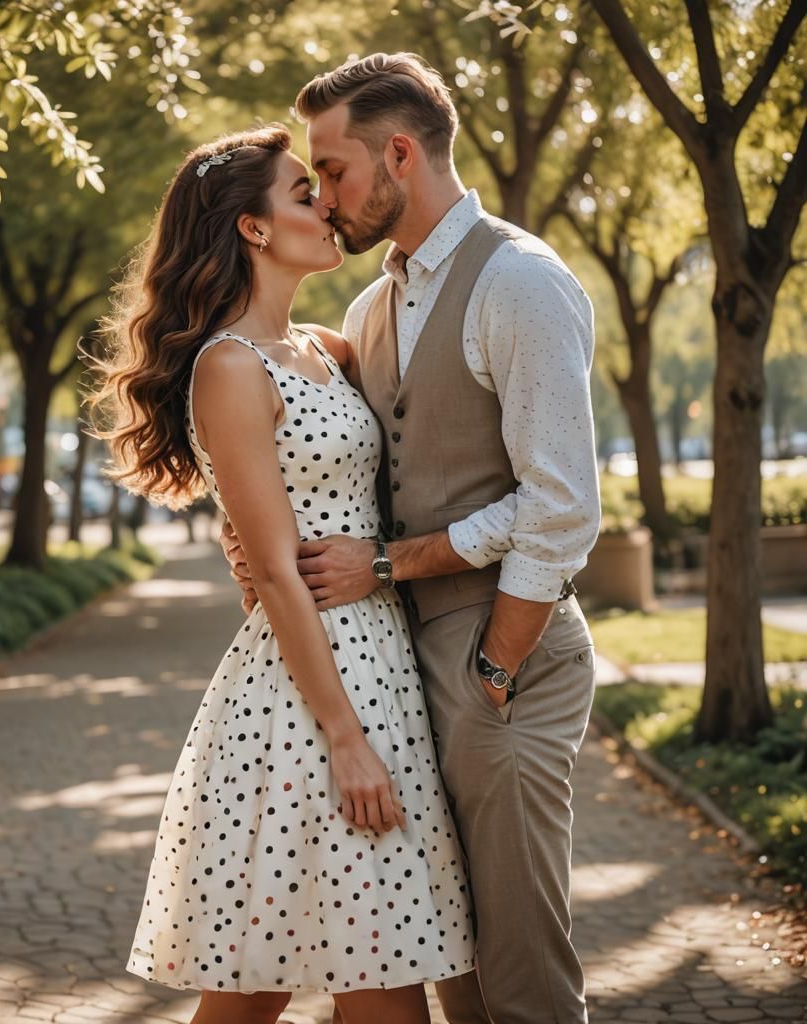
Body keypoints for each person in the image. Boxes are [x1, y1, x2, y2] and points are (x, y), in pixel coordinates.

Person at [223, 53, 602, 1024]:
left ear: (399, 153)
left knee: (522, 977)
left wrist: (495, 670)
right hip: (397, 670)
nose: (324, 194)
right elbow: (358, 478)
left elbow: (559, 506)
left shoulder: (519, 281)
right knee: (451, 963)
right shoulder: (366, 305)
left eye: (335, 171)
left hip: (499, 655)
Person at [89, 123, 476, 1024]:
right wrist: (344, 738)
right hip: (309, 702)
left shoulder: (331, 352)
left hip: (383, 667)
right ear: (253, 229)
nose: (328, 204)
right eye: (305, 191)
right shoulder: (230, 367)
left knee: (296, 977)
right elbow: (268, 568)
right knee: (346, 986)